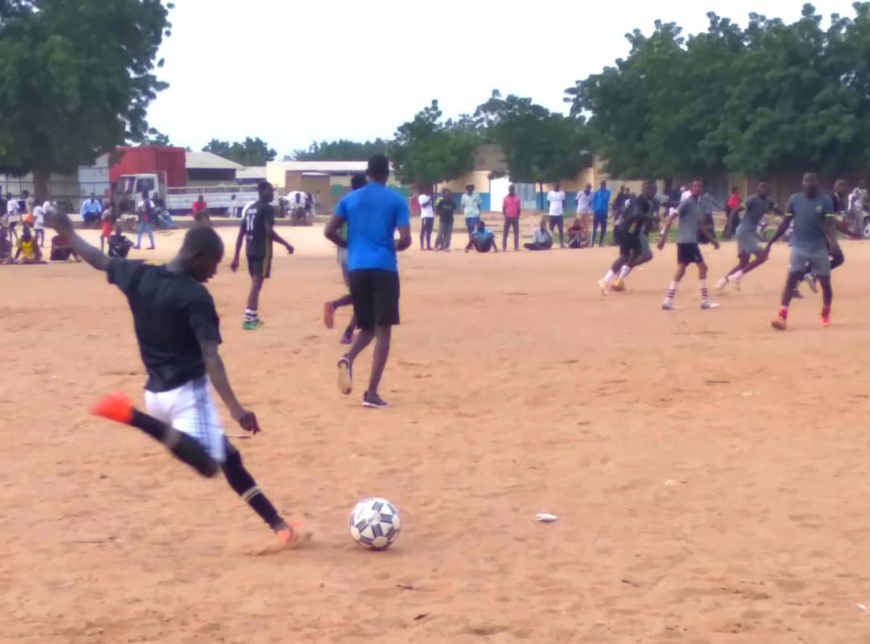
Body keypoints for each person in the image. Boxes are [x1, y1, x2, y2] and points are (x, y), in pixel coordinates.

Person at [45, 208, 307, 549]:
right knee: (210, 465)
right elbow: (211, 355)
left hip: (157, 393)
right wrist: (235, 406)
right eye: (213, 264)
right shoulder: (196, 298)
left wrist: (69, 232)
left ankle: (280, 526)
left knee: (230, 458)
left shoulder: (139, 275)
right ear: (197, 257)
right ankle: (130, 415)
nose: (213, 272)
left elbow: (98, 259)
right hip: (187, 395)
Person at [324, 154, 411, 409]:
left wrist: (350, 245)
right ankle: (371, 392)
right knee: (384, 330)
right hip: (383, 267)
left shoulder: (349, 199)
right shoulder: (396, 200)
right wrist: (391, 245)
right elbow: (405, 240)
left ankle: (348, 358)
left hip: (357, 268)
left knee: (367, 327)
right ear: (387, 173)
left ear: (368, 172)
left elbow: (329, 231)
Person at [766, 173, 839, 330]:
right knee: (791, 279)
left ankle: (825, 313)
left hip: (819, 247)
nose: (808, 184)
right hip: (798, 246)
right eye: (806, 181)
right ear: (802, 183)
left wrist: (832, 241)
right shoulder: (794, 199)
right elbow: (786, 222)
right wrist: (770, 242)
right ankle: (781, 317)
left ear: (817, 184)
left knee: (825, 284)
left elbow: (830, 224)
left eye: (812, 181)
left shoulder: (825, 200)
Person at [230, 181, 295, 330]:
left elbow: (241, 234)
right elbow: (269, 231)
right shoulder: (267, 209)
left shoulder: (250, 209)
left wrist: (236, 256)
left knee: (255, 284)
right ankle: (248, 318)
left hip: (249, 250)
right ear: (263, 191)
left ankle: (253, 317)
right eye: (270, 191)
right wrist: (286, 244)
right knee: (256, 284)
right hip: (262, 251)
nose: (272, 194)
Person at [658, 179, 720, 310]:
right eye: (695, 186)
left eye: (700, 186)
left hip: (686, 242)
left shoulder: (697, 205)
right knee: (703, 268)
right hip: (688, 242)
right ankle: (704, 300)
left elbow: (700, 226)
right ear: (691, 189)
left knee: (681, 270)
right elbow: (671, 218)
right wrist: (663, 237)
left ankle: (668, 300)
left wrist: (712, 239)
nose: (698, 188)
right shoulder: (686, 203)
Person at [715, 181, 782, 292]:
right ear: (757, 188)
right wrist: (729, 229)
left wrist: (790, 215)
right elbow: (734, 211)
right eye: (761, 187)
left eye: (766, 187)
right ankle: (737, 276)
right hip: (744, 232)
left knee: (744, 263)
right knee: (763, 256)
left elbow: (779, 211)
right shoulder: (752, 200)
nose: (764, 189)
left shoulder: (768, 202)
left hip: (749, 232)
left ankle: (723, 281)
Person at [324, 173, 367, 345]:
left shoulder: (345, 202)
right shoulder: (363, 204)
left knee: (358, 295)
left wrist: (343, 244)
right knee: (363, 298)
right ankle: (348, 333)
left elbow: (332, 230)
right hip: (357, 253)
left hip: (343, 252)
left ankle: (335, 306)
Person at [598, 181, 657, 294]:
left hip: (630, 230)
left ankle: (617, 280)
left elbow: (630, 214)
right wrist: (648, 220)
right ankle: (606, 280)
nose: (652, 191)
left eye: (653, 189)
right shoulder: (642, 201)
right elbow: (636, 214)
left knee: (634, 254)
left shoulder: (641, 201)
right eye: (649, 189)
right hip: (629, 231)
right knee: (626, 256)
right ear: (643, 189)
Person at [547, 182, 566, 248]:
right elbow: (548, 203)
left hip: (559, 214)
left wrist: (560, 209)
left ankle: (561, 244)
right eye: (555, 185)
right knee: (551, 230)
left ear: (559, 186)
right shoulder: (550, 193)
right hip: (552, 214)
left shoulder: (562, 193)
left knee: (560, 230)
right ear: (553, 186)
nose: (557, 186)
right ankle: (549, 244)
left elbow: (563, 203)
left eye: (558, 185)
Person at [591, 181, 611, 247]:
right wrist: (593, 209)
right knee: (595, 227)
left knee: (604, 227)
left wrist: (602, 193)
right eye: (602, 185)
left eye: (604, 185)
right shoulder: (596, 192)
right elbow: (594, 201)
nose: (603, 186)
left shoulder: (608, 192)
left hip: (604, 212)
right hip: (597, 212)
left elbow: (606, 199)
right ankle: (592, 242)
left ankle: (601, 242)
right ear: (600, 185)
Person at [502, 184, 521, 251]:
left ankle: (516, 247)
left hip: (515, 217)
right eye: (510, 189)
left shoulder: (517, 198)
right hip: (508, 217)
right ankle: (504, 247)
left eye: (513, 189)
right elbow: (503, 208)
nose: (511, 190)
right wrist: (505, 215)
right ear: (509, 190)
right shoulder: (505, 198)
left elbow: (519, 208)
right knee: (505, 233)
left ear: (514, 190)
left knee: (516, 233)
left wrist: (518, 216)